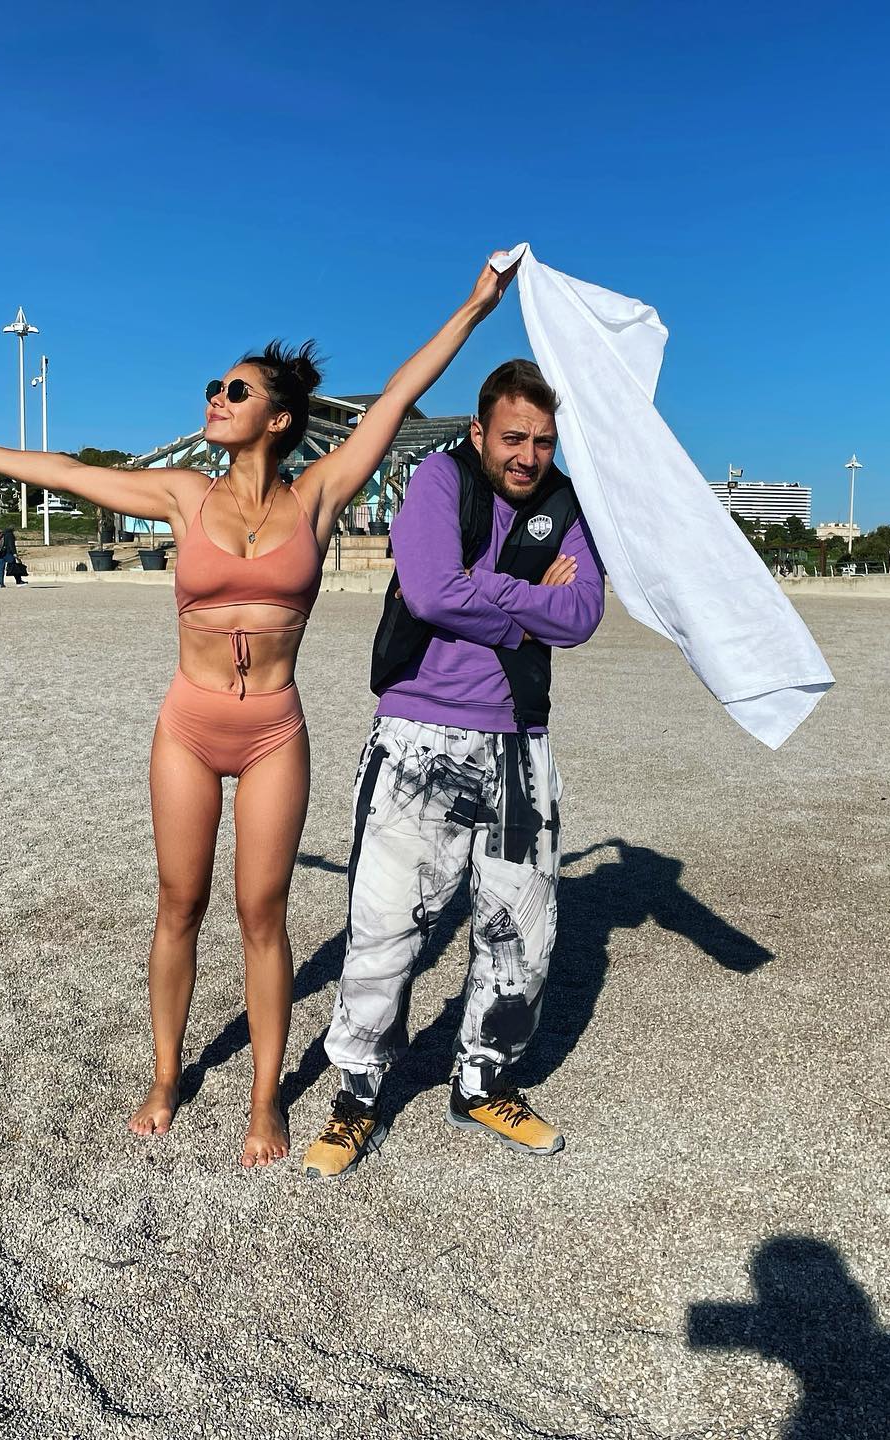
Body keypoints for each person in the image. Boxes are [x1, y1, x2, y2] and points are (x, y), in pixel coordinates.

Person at [0, 253, 519, 1167]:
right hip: (189, 726)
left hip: (273, 729)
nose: (215, 398)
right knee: (179, 901)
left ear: (278, 417)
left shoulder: (318, 495)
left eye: (234, 390)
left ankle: (265, 1099)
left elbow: (397, 397)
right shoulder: (183, 494)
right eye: (212, 387)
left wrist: (474, 307)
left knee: (262, 910)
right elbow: (70, 472)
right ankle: (165, 1075)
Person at [301, 359, 605, 1181]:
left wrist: (487, 588)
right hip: (418, 735)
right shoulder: (440, 479)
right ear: (478, 432)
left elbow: (582, 612)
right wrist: (522, 604)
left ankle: (483, 1083)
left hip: (521, 741)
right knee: (386, 927)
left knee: (522, 933)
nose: (528, 456)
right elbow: (433, 592)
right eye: (513, 438)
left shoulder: (564, 503)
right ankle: (358, 1095)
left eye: (543, 441)